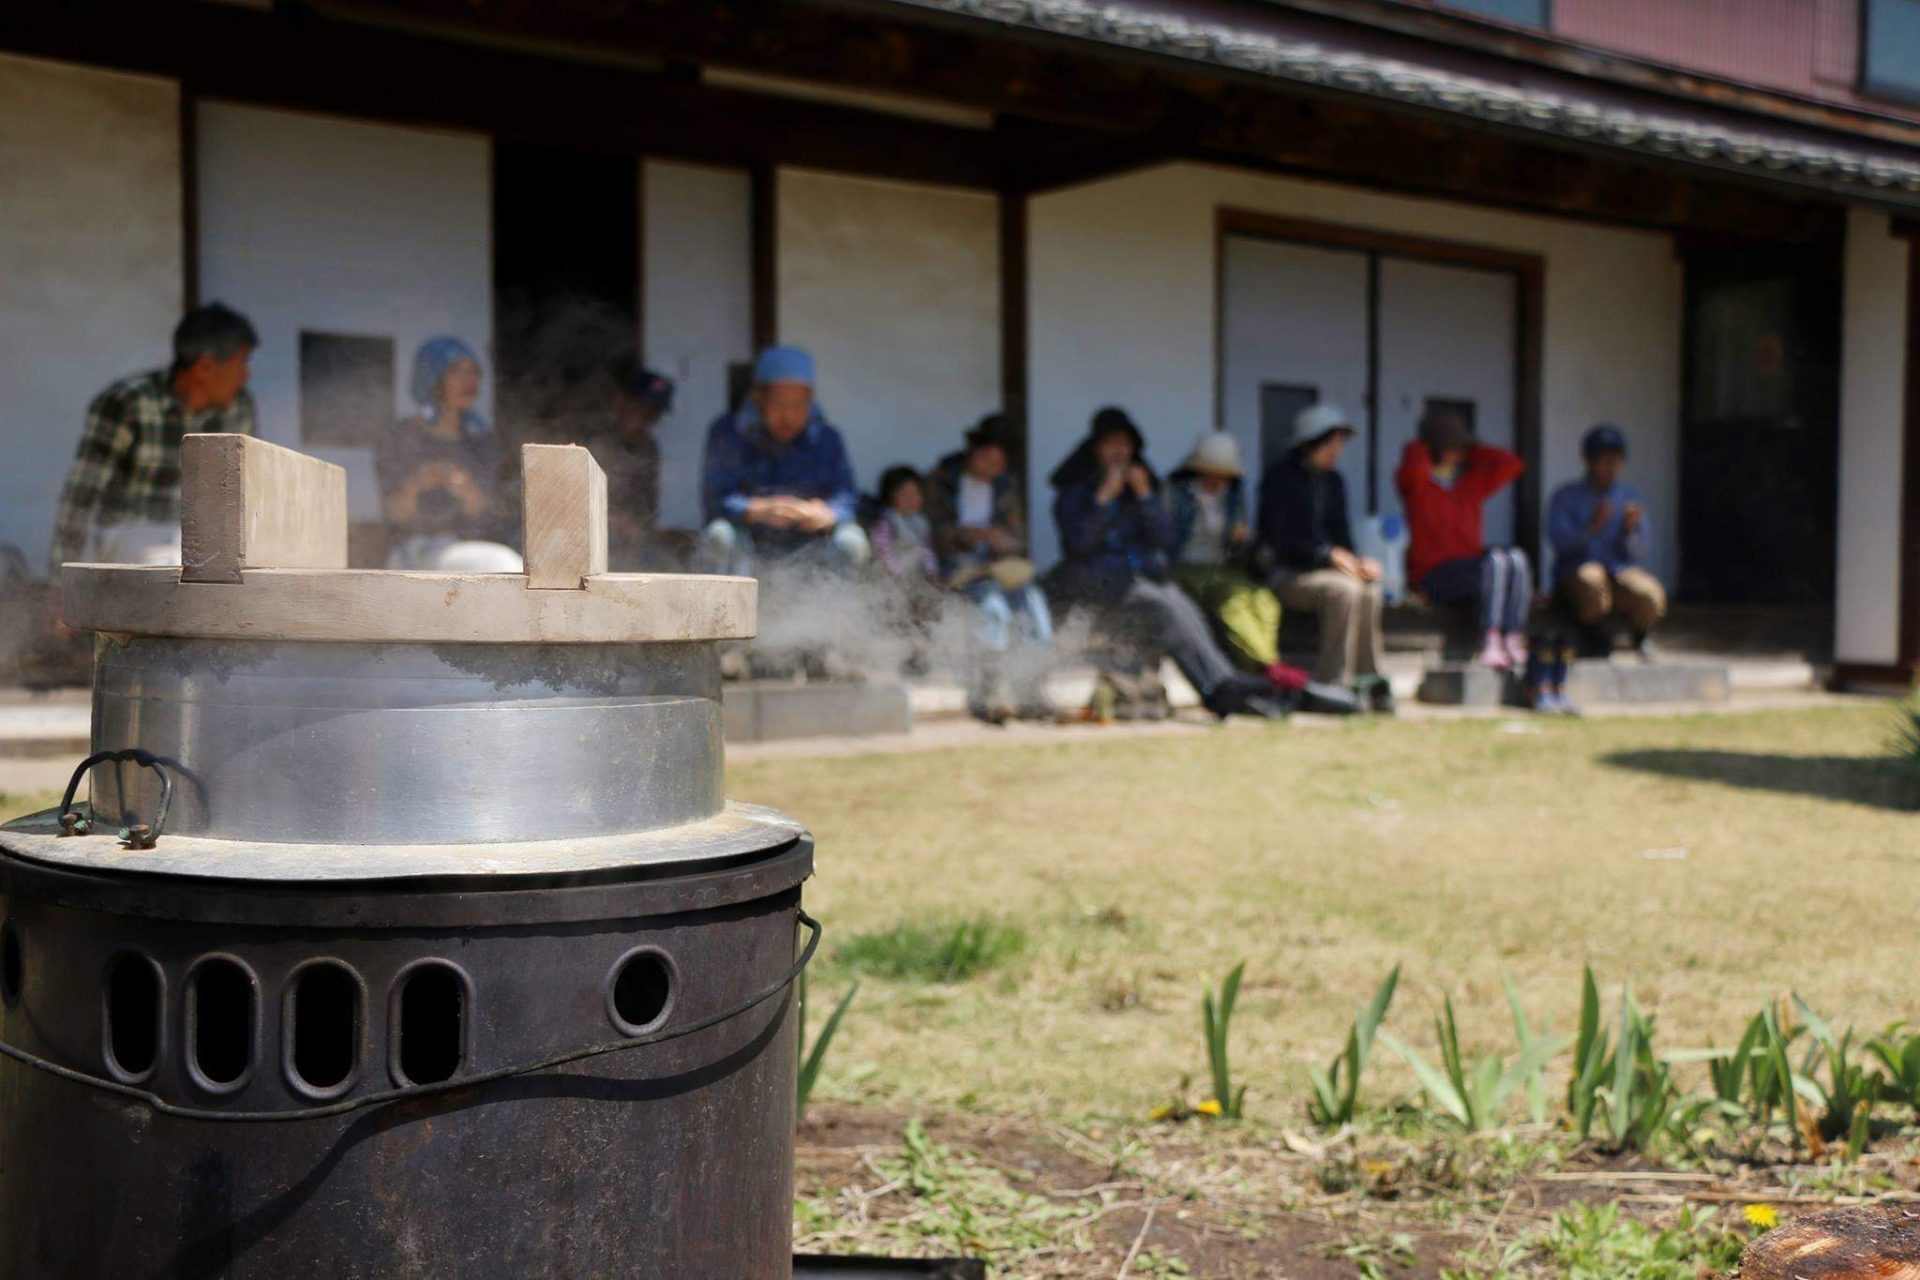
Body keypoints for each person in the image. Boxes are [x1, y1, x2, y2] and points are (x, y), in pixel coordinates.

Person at [1051, 408, 1288, 721]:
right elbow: (1078, 544)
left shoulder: (1140, 492)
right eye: (1112, 444)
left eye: (1126, 446)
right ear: (1095, 447)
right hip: (1091, 579)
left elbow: (1164, 539)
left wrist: (1146, 496)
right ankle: (1215, 688)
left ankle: (1223, 680)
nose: (1120, 453)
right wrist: (1103, 498)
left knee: (1179, 603)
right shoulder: (1074, 492)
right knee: (1162, 604)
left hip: (1135, 579)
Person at [50, 303, 258, 571]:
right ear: (205, 367)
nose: (246, 375)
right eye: (241, 363)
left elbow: (245, 492)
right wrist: (59, 579)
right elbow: (81, 494)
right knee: (168, 565)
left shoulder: (240, 408)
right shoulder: (130, 402)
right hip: (129, 538)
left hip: (198, 543)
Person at [925, 414, 1055, 722]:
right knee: (991, 602)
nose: (992, 468)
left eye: (999, 462)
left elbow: (1017, 534)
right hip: (955, 569)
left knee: (1032, 600)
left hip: (996, 566)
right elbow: (930, 533)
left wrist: (1005, 543)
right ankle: (991, 688)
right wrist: (965, 535)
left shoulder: (1005, 486)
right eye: (988, 458)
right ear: (974, 451)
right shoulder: (942, 480)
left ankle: (1032, 687)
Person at [698, 345, 869, 577]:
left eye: (798, 406)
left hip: (809, 543)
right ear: (757, 397)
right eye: (778, 405)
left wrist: (824, 513)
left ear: (810, 400)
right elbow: (716, 498)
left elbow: (847, 499)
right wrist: (758, 510)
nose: (788, 416)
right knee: (719, 535)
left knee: (851, 541)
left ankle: (839, 611)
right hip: (750, 543)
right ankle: (722, 613)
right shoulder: (728, 433)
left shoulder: (827, 438)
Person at [1256, 404, 1389, 703]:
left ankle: (1368, 679)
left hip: (1328, 570)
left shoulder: (1335, 482)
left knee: (1369, 590)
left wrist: (1358, 561)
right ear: (1310, 443)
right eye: (1330, 443)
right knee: (1343, 590)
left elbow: (1341, 536)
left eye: (1339, 443)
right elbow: (1280, 540)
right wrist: (1326, 556)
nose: (1336, 450)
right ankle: (1333, 682)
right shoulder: (1280, 479)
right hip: (1288, 573)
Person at [1395, 410, 1531, 669]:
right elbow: (1412, 457)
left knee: (1514, 558)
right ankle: (1489, 638)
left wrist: (1473, 449)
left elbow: (1512, 464)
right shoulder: (1418, 483)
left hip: (1470, 570)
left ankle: (1512, 636)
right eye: (1452, 448)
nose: (1458, 454)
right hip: (1433, 576)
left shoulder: (1469, 485)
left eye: (1461, 449)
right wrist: (1430, 443)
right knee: (1494, 563)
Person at [378, 337, 521, 572]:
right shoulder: (401, 437)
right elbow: (395, 514)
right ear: (432, 376)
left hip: (472, 547)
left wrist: (467, 490)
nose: (470, 381)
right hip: (414, 551)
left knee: (511, 563)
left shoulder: (482, 442)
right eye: (458, 372)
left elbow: (490, 516)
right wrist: (417, 482)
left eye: (475, 372)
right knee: (502, 565)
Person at [1167, 431, 1285, 676]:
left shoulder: (1233, 495)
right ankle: (1268, 666)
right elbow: (1162, 537)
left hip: (1221, 567)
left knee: (1264, 601)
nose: (1217, 480)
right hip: (1184, 567)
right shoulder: (1175, 493)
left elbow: (1238, 550)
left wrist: (1242, 540)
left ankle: (1261, 662)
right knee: (1235, 604)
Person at [1547, 424, 1667, 660]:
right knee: (1591, 579)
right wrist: (1592, 527)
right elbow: (1558, 540)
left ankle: (1640, 637)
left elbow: (1639, 549)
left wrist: (1630, 531)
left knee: (1649, 593)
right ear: (1589, 462)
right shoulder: (1567, 496)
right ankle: (1593, 637)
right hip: (1576, 573)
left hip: (1616, 570)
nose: (1610, 468)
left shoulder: (1630, 496)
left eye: (1616, 461)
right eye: (1604, 461)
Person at [590, 357, 675, 568]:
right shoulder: (593, 442)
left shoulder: (649, 449)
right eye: (640, 410)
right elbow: (573, 505)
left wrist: (642, 528)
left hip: (633, 541)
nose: (645, 421)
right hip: (594, 535)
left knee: (664, 562)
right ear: (619, 401)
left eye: (653, 415)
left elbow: (648, 509)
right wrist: (614, 521)